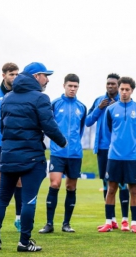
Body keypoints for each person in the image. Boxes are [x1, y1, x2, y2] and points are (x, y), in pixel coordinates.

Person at [0, 62, 67, 252]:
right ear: (35, 76)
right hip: (31, 158)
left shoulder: (7, 98)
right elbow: (49, 125)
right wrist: (62, 142)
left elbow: (3, 126)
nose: (47, 80)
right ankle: (24, 242)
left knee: (1, 198)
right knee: (28, 200)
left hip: (7, 156)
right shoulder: (41, 98)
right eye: (45, 75)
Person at [38, 74, 87, 234]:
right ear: (64, 86)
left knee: (71, 187)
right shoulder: (54, 104)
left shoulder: (81, 107)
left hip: (74, 154)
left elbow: (80, 130)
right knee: (54, 184)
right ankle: (49, 223)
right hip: (58, 152)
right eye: (70, 86)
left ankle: (66, 223)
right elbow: (48, 125)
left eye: (75, 86)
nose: (72, 89)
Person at [98, 77, 136, 233]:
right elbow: (107, 131)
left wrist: (132, 143)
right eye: (122, 89)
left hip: (132, 156)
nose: (124, 92)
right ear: (118, 90)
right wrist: (117, 144)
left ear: (132, 90)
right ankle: (108, 222)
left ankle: (133, 223)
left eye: (127, 89)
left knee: (134, 190)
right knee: (111, 189)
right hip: (114, 156)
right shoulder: (111, 109)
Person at [86, 74, 131, 229]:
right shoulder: (99, 101)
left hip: (120, 150)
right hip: (103, 148)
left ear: (118, 86)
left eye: (113, 84)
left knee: (123, 183)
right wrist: (99, 109)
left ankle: (125, 219)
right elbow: (88, 121)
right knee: (106, 184)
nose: (110, 86)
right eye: (108, 84)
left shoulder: (124, 102)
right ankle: (111, 220)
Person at [0, 63, 23, 231]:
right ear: (4, 75)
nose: (15, 77)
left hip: (16, 142)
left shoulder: (21, 93)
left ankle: (19, 218)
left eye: (17, 74)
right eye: (11, 74)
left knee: (20, 179)